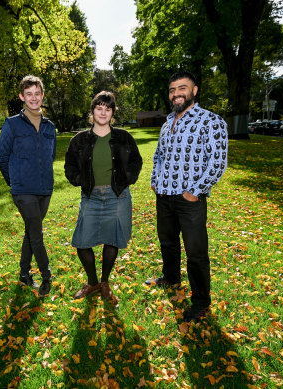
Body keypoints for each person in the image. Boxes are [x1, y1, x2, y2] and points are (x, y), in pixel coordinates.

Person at [145, 71, 228, 322]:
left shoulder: (210, 121)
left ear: (194, 90)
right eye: (172, 90)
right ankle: (171, 278)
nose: (176, 93)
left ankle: (201, 301)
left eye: (182, 88)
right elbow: (158, 156)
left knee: (196, 253)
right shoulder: (166, 122)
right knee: (168, 243)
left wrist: (195, 192)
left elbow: (218, 162)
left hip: (189, 199)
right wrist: (155, 181)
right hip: (164, 196)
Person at [64, 91, 143, 304]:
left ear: (112, 112)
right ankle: (93, 282)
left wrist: (127, 178)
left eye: (107, 108)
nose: (103, 112)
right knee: (82, 242)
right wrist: (80, 179)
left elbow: (136, 161)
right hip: (91, 196)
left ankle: (105, 282)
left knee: (112, 239)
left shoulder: (123, 137)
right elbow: (69, 165)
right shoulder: (79, 140)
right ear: (92, 111)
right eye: (99, 108)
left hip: (117, 196)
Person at [0, 75, 56, 297]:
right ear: (22, 97)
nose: (33, 98)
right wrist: (15, 183)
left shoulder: (50, 127)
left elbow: (51, 157)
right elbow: (1, 157)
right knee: (37, 234)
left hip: (45, 190)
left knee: (31, 232)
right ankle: (46, 276)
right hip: (23, 191)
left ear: (42, 96)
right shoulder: (12, 124)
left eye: (37, 94)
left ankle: (23, 274)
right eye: (28, 94)